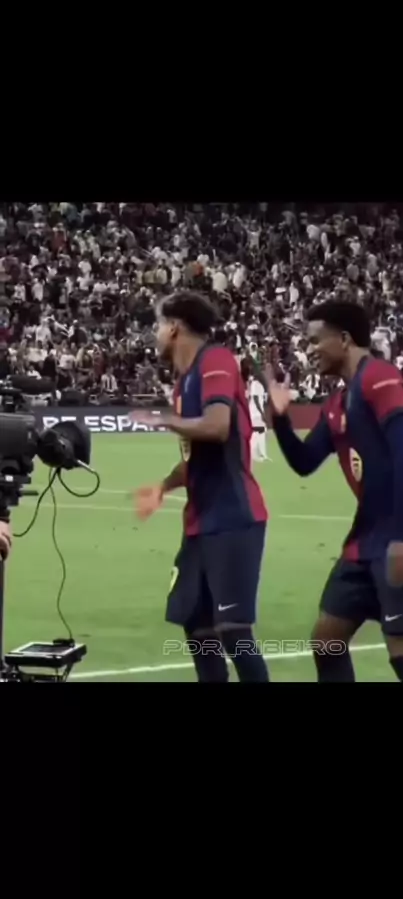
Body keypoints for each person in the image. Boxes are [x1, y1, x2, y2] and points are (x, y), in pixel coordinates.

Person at [268, 301, 403, 684]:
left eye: (316, 340)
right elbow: (304, 462)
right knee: (327, 642)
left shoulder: (379, 378)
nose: (310, 349)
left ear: (345, 339)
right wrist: (280, 419)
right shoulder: (337, 403)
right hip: (364, 541)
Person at [131, 292, 269, 683]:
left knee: (234, 631)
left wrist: (164, 421)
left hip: (234, 516)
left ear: (175, 327)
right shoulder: (184, 383)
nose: (156, 334)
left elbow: (217, 426)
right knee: (199, 628)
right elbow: (194, 458)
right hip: (200, 523)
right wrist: (163, 487)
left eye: (159, 325)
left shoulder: (216, 360)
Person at [241, 361, 269, 462]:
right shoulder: (255, 384)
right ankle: (254, 453)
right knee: (258, 430)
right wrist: (262, 412)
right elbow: (256, 399)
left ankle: (261, 454)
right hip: (255, 412)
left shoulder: (259, 384)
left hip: (256, 411)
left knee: (261, 430)